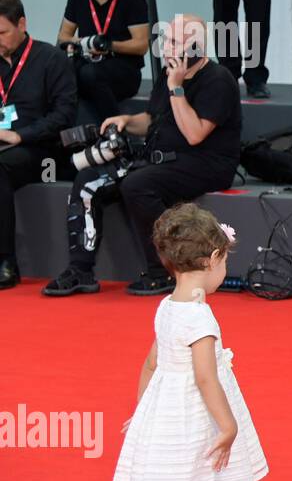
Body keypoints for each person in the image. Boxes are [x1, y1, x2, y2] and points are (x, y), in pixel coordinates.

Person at [113, 203, 267, 481]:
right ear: (212, 259)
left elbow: (150, 363)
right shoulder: (200, 318)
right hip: (191, 418)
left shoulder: (168, 306)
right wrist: (228, 426)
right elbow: (205, 378)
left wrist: (143, 411)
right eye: (224, 262)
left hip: (178, 415)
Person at [43, 15, 242, 298]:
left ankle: (163, 270)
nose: (167, 48)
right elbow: (153, 119)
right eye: (167, 40)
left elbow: (194, 134)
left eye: (174, 42)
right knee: (88, 180)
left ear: (195, 48)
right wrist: (125, 119)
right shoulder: (169, 73)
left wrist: (177, 87)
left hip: (205, 163)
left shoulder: (218, 80)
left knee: (138, 184)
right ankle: (80, 269)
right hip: (162, 157)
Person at [0, 0, 77, 289]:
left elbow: (64, 116)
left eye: (3, 32)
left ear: (22, 23)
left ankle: (6, 260)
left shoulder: (51, 59)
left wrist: (19, 135)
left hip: (46, 153)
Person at [56, 0, 150, 120]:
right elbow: (63, 36)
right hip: (87, 62)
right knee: (61, 70)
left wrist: (108, 45)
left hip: (124, 69)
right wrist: (82, 42)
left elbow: (141, 45)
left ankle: (113, 132)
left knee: (90, 74)